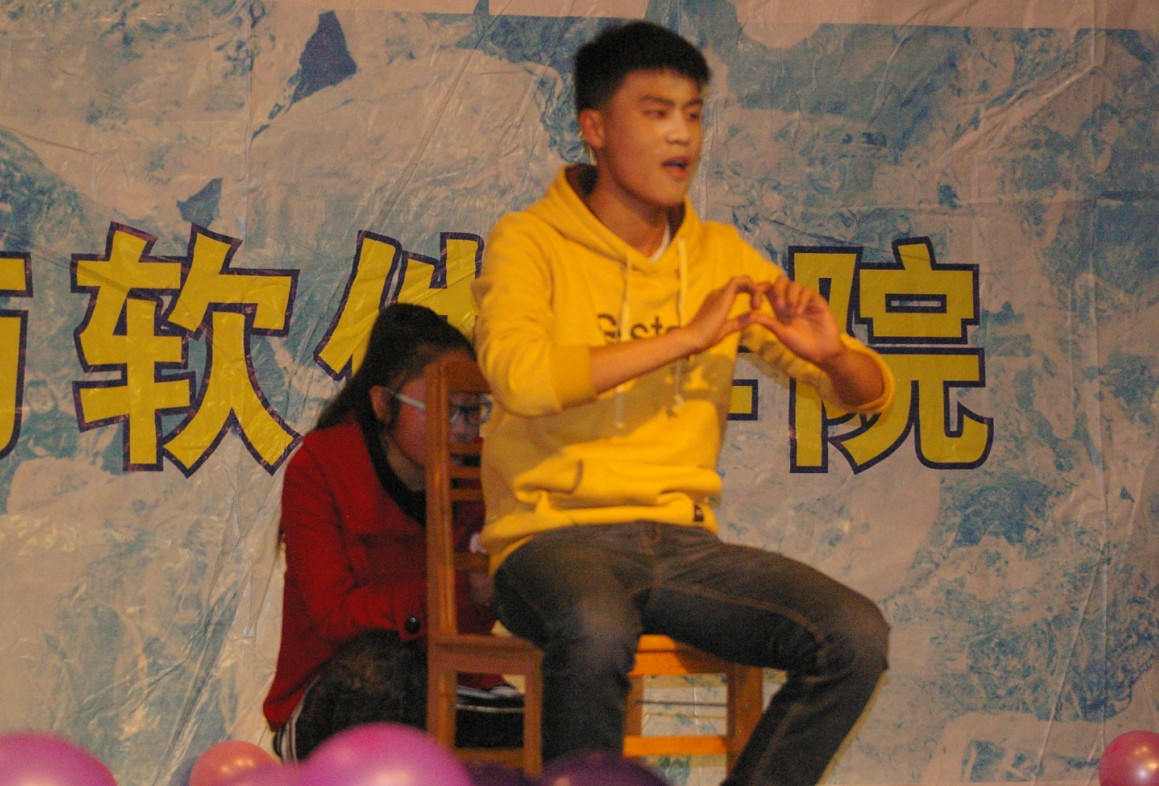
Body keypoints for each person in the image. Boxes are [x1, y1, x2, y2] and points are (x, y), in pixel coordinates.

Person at [471, 21, 896, 786]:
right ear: (595, 127)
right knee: (595, 625)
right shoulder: (527, 241)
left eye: (693, 115)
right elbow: (521, 378)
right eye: (656, 112)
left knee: (852, 634)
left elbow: (867, 400)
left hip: (682, 544)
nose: (680, 136)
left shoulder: (719, 256)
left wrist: (833, 355)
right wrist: (684, 338)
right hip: (551, 541)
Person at [263, 303, 519, 761]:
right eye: (445, 410)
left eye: (472, 411)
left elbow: (479, 625)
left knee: (562, 721)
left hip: (455, 686)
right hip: (340, 691)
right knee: (385, 679)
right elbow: (336, 617)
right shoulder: (321, 467)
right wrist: (456, 590)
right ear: (383, 404)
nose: (463, 430)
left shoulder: (486, 472)